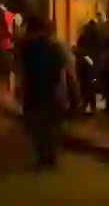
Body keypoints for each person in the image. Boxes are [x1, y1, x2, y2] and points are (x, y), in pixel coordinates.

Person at [17, 17, 73, 169]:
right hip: (52, 88)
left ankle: (43, 154)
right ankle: (50, 154)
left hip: (33, 88)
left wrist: (20, 89)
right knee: (51, 123)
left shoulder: (25, 46)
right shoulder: (56, 46)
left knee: (37, 124)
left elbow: (21, 70)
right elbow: (66, 69)